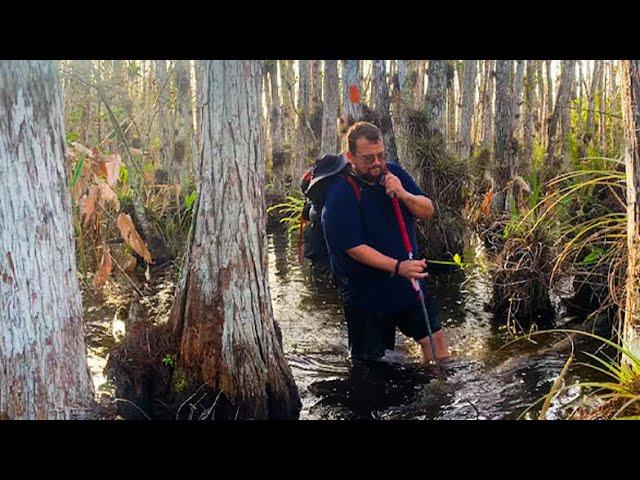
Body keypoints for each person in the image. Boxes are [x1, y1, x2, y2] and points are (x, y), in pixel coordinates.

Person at [321, 121, 450, 364]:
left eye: (380, 155)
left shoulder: (393, 173)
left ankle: (440, 394)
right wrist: (397, 266)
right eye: (369, 158)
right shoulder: (340, 193)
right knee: (372, 364)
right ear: (350, 156)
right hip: (365, 290)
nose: (377, 163)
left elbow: (427, 210)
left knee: (434, 339)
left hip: (405, 279)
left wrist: (403, 193)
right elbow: (354, 248)